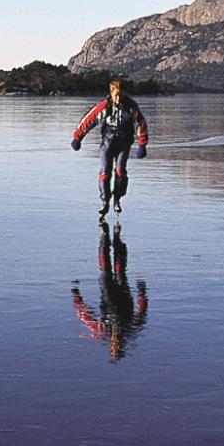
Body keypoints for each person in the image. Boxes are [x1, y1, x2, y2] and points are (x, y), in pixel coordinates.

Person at [70, 78, 149, 218]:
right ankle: (105, 201)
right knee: (105, 171)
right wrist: (78, 138)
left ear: (124, 94)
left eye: (120, 95)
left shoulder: (131, 107)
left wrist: (142, 144)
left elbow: (141, 124)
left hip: (124, 144)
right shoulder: (105, 106)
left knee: (120, 170)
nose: (118, 99)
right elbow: (89, 120)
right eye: (115, 96)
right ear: (111, 94)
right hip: (107, 143)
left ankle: (117, 199)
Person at [71, 221, 149, 361]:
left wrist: (76, 296)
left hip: (108, 294)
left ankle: (104, 236)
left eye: (114, 347)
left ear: (111, 346)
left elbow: (86, 316)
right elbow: (141, 314)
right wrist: (142, 293)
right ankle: (116, 238)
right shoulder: (130, 330)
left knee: (106, 271)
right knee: (120, 272)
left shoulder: (103, 330)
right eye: (118, 347)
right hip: (124, 296)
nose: (116, 344)